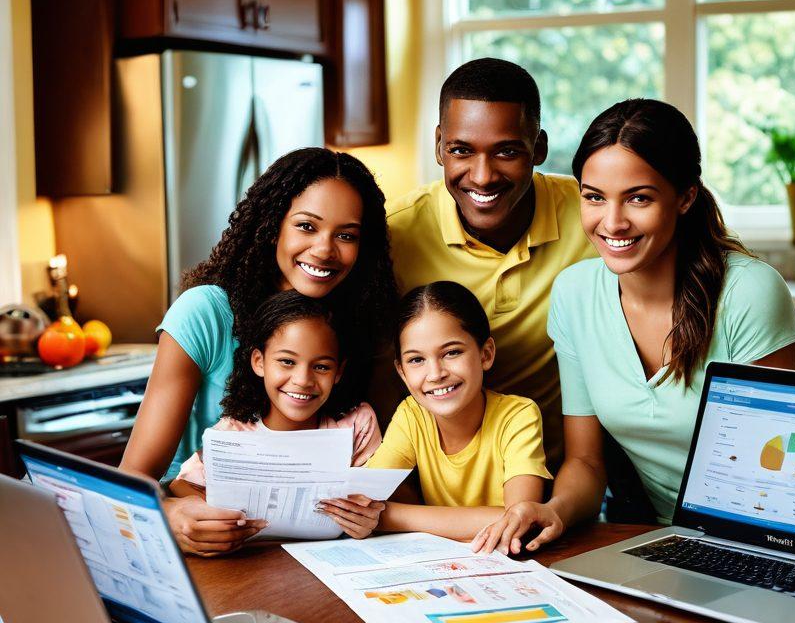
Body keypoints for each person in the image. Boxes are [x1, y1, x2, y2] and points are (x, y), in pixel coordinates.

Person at [472, 98, 795, 556]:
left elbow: (778, 467)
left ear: (685, 197)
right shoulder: (574, 294)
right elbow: (586, 462)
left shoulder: (749, 291)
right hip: (656, 538)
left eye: (639, 198)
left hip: (762, 538)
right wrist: (555, 510)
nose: (612, 223)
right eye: (594, 197)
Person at [121, 147, 397, 555]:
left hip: (317, 549)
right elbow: (133, 478)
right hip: (206, 538)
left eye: (346, 235)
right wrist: (172, 515)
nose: (324, 249)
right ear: (272, 227)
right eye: (306, 226)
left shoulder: (359, 324)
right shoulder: (205, 313)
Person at [383, 58, 595, 470]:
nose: (482, 176)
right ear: (439, 146)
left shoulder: (591, 215)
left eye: (507, 152)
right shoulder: (395, 234)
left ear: (539, 148)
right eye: (461, 150)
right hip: (434, 480)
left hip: (560, 472)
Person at [168, 291, 384, 553]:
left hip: (333, 561)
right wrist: (210, 509)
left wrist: (369, 519)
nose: (302, 380)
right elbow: (180, 484)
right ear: (259, 362)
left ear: (338, 371)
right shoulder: (233, 432)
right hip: (250, 563)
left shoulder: (356, 424)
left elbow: (377, 498)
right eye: (287, 362)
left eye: (321, 367)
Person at [366, 281, 551, 541]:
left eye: (451, 353)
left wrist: (388, 517)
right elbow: (365, 499)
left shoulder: (517, 416)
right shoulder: (412, 415)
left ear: (485, 354)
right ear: (402, 373)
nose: (435, 374)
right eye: (416, 360)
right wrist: (371, 513)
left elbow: (519, 520)